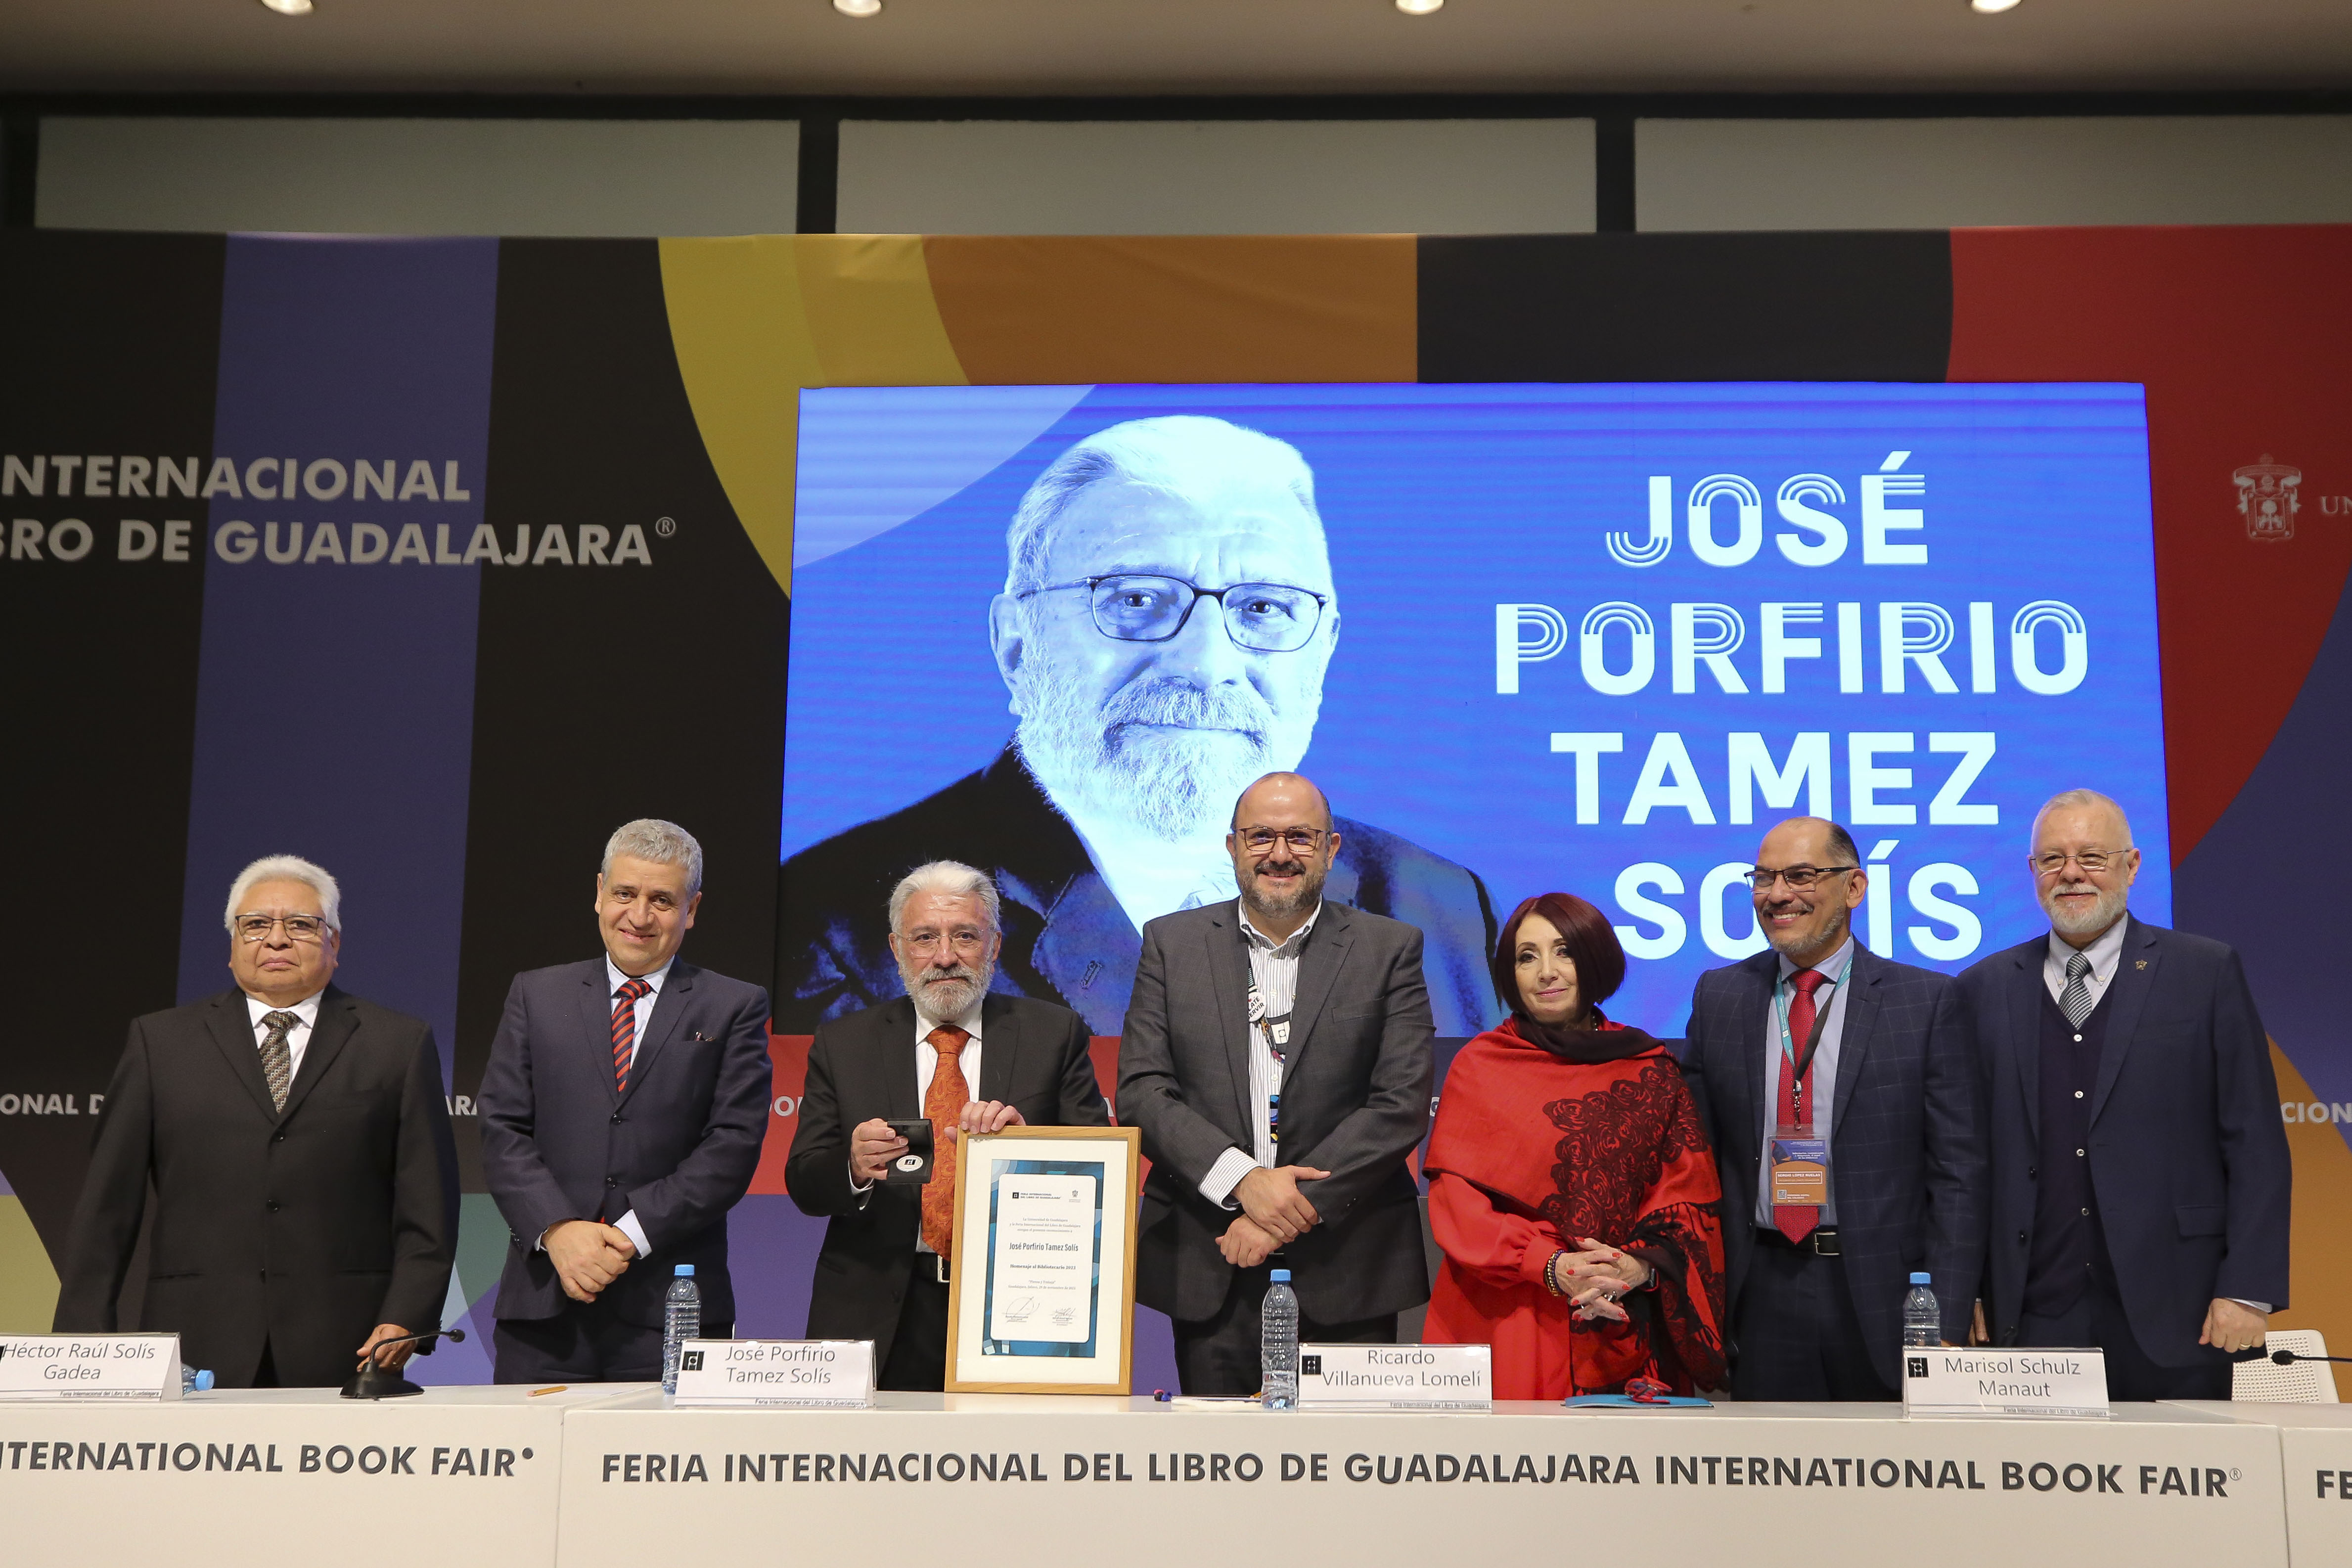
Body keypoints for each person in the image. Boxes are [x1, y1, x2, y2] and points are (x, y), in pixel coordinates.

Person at [775, 415, 1497, 1038]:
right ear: (1016, 642)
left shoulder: (1436, 908)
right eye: (1136, 599)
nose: (1207, 664)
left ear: (1325, 649)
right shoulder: (843, 932)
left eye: (1263, 608)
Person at [54, 856, 457, 1388]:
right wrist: (81, 1347)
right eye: (256, 924)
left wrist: (407, 1317)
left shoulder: (397, 1044)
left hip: (348, 1345)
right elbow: (107, 1209)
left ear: (334, 942)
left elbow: (428, 1206)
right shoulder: (160, 1044)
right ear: (233, 945)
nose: (277, 939)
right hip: (194, 1340)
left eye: (301, 924)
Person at [1960, 788, 2289, 1397]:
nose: (2071, 874)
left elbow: (2254, 1142)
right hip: (2029, 1313)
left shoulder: (2204, 972)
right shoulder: (1981, 989)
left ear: (2132, 866)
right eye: (2051, 859)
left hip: (2181, 1308)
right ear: (2032, 872)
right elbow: (1963, 1159)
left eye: (2092, 856)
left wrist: (2247, 1288)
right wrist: (1964, 1287)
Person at [1117, 770, 1435, 1396]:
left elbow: (1398, 1104)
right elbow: (1143, 1091)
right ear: (1232, 846)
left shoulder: (1388, 948)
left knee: (1348, 1457)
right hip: (1211, 1256)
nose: (1279, 854)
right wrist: (1244, 1182)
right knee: (1217, 1455)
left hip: (1349, 1263)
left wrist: (1277, 1216)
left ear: (1331, 848)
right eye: (1260, 836)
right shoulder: (1171, 943)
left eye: (1300, 837)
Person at [1682, 816, 1985, 1399]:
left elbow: (1959, 1174)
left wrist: (1944, 1315)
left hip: (1884, 1295)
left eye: (1800, 876)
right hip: (1759, 1289)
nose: (1777, 895)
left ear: (1854, 887)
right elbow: (1695, 1157)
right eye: (1763, 878)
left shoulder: (1925, 1002)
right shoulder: (1719, 996)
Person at [785, 861, 1112, 1391]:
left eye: (965, 936)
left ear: (994, 945)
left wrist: (1027, 1148)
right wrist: (854, 1167)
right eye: (924, 938)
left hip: (1018, 1302)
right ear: (896, 949)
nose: (944, 957)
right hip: (876, 1309)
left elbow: (1101, 1174)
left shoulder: (1053, 1034)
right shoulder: (844, 1043)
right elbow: (804, 1181)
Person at [477, 819, 773, 1382]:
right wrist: (559, 1231)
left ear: (692, 909)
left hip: (671, 1308)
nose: (639, 916)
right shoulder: (536, 994)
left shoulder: (734, 1005)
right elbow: (501, 1127)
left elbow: (732, 1146)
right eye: (624, 894)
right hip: (544, 1303)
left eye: (662, 900)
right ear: (598, 893)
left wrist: (628, 1237)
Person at [1422, 893, 1726, 1397]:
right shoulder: (1480, 1065)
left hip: (1624, 1313)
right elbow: (1458, 1208)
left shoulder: (1650, 1069)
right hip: (1509, 1317)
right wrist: (1548, 1264)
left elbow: (1689, 1207)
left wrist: (1638, 1267)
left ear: (1595, 958)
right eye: (1527, 956)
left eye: (1564, 951)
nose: (1546, 971)